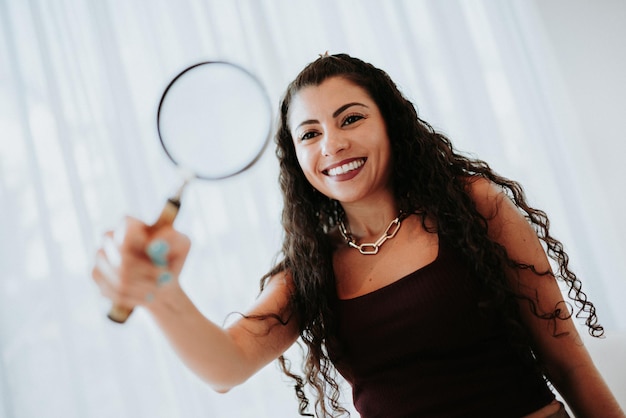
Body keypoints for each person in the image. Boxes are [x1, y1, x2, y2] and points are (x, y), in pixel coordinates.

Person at [92, 53, 624, 418]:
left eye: (351, 119)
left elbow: (568, 363)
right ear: (296, 158)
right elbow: (225, 366)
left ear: (390, 123)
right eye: (310, 134)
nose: (333, 145)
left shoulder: (475, 206)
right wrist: (161, 293)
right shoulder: (308, 272)